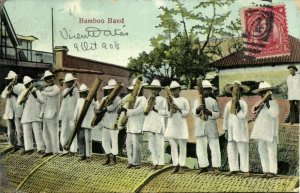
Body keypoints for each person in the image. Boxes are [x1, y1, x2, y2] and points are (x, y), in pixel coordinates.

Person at [251, 81, 279, 178]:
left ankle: (272, 171)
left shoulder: (273, 103)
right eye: (262, 93)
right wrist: (260, 104)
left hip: (270, 132)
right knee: (262, 151)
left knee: (271, 152)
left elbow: (274, 115)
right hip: (261, 132)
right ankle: (266, 170)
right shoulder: (260, 104)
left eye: (265, 92)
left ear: (269, 92)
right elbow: (253, 110)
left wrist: (267, 104)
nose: (263, 95)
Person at [193, 80, 221, 174]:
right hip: (200, 127)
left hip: (211, 126)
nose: (205, 91)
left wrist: (209, 112)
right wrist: (198, 110)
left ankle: (216, 167)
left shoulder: (213, 101)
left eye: (207, 90)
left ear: (210, 91)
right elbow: (193, 113)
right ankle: (203, 166)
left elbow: (218, 114)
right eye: (203, 90)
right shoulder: (197, 100)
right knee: (200, 147)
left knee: (214, 146)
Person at [223, 81, 250, 177]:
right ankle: (233, 168)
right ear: (231, 92)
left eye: (238, 91)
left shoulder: (243, 103)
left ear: (241, 92)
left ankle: (245, 170)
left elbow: (243, 116)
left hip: (240, 130)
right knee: (231, 149)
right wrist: (225, 130)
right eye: (234, 90)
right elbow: (226, 118)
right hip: (231, 130)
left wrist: (238, 109)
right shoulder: (228, 104)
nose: (236, 92)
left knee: (242, 149)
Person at [119, 78, 147, 169]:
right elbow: (123, 104)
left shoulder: (143, 99)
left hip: (138, 124)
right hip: (130, 125)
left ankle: (136, 163)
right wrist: (123, 108)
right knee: (128, 144)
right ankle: (130, 162)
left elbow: (137, 111)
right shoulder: (131, 98)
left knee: (136, 145)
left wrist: (126, 110)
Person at [164, 81, 190, 174]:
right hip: (172, 126)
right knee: (173, 147)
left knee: (182, 146)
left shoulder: (184, 100)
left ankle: (182, 165)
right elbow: (167, 114)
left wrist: (178, 108)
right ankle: (175, 165)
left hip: (181, 126)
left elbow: (186, 113)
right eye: (172, 90)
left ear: (179, 90)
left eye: (176, 90)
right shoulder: (168, 100)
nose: (174, 92)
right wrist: (171, 109)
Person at [143, 79, 167, 170]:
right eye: (152, 89)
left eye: (156, 89)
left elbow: (166, 112)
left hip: (158, 123)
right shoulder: (148, 98)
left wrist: (156, 109)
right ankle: (155, 161)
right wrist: (148, 105)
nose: (154, 91)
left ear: (159, 90)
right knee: (151, 144)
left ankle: (161, 162)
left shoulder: (162, 99)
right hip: (150, 123)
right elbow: (144, 110)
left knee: (159, 144)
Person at [98, 79, 121, 165]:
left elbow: (111, 108)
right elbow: (101, 108)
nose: (110, 91)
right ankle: (107, 157)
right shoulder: (104, 98)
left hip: (113, 122)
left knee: (114, 140)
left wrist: (101, 110)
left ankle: (114, 159)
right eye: (109, 89)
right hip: (105, 122)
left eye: (112, 89)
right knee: (105, 141)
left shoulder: (117, 99)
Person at [37, 70, 61, 157]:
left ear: (53, 78)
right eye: (47, 79)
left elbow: (52, 94)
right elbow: (42, 101)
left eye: (51, 78)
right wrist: (37, 96)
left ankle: (56, 151)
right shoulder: (45, 89)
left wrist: (42, 92)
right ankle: (49, 150)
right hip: (45, 113)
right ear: (45, 80)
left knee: (53, 133)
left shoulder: (56, 88)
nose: (50, 79)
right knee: (45, 133)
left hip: (53, 113)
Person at [20, 76, 45, 155]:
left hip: (35, 113)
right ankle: (29, 148)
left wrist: (35, 95)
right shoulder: (23, 92)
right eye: (26, 84)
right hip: (26, 114)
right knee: (26, 131)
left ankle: (41, 148)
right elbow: (20, 102)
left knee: (37, 132)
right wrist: (26, 95)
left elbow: (42, 101)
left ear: (31, 83)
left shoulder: (37, 91)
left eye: (29, 83)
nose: (28, 85)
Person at [1, 71, 25, 152]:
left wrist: (13, 93)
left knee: (19, 128)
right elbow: (3, 95)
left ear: (15, 79)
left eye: (12, 79)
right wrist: (9, 89)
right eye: (10, 79)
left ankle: (21, 144)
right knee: (10, 129)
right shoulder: (7, 87)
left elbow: (24, 95)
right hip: (9, 111)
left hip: (18, 109)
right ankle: (13, 144)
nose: (11, 81)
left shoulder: (21, 86)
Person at [72, 84, 96, 161]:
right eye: (81, 93)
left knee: (88, 139)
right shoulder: (79, 100)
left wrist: (93, 97)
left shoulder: (91, 100)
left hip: (88, 122)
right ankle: (82, 154)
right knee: (80, 138)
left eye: (84, 92)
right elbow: (76, 110)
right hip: (80, 122)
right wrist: (75, 119)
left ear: (87, 92)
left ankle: (88, 156)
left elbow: (96, 107)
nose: (82, 94)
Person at [58, 73, 79, 155]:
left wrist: (76, 115)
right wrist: (60, 116)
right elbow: (63, 102)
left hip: (73, 115)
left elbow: (77, 104)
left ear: (73, 82)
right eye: (67, 82)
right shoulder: (65, 91)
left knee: (72, 132)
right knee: (64, 131)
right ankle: (65, 149)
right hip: (65, 115)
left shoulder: (76, 91)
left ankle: (73, 150)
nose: (68, 84)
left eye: (70, 82)